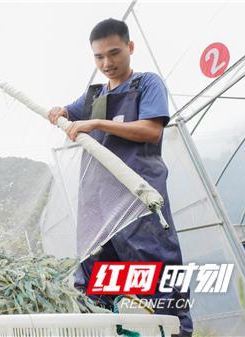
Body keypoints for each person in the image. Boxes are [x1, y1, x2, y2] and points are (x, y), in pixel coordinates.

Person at [48, 18, 193, 337]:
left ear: (130, 47)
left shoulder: (146, 84)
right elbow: (68, 112)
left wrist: (98, 123)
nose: (107, 63)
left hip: (137, 199)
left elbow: (151, 130)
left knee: (154, 273)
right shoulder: (95, 94)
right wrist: (60, 110)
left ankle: (174, 332)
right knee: (95, 281)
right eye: (99, 57)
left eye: (114, 53)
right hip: (98, 203)